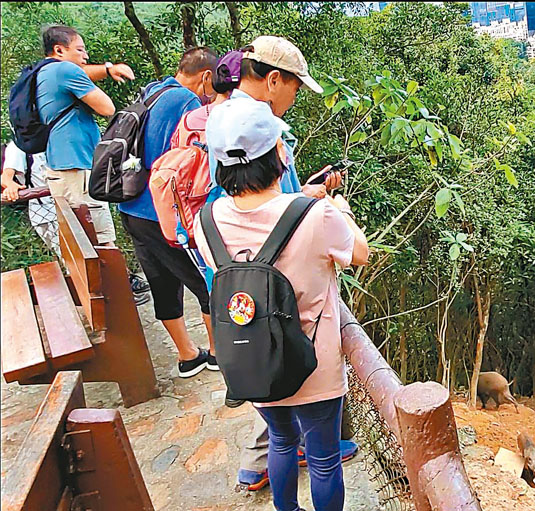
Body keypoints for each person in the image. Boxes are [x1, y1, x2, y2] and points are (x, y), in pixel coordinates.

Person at [196, 97, 369, 511]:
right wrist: (335, 205)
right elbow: (359, 252)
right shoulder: (315, 215)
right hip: (314, 362)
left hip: (255, 359)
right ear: (279, 153)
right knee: (325, 459)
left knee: (280, 440)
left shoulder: (207, 220)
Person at [118, 47, 219, 378]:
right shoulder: (187, 104)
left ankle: (188, 356)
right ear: (206, 76)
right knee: (205, 280)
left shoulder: (152, 91)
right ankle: (218, 353)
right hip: (162, 212)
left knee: (161, 281)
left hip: (131, 205)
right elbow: (188, 165)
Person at [35, 24, 151, 303]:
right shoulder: (64, 71)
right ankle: (117, 299)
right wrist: (97, 85)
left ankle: (106, 294)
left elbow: (82, 72)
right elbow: (107, 107)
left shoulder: (46, 73)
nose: (86, 56)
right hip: (76, 169)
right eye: (80, 49)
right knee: (99, 238)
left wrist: (108, 69)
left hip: (62, 167)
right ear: (59, 50)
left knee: (80, 239)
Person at [1, 142, 60, 259]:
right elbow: (5, 177)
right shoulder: (18, 145)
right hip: (45, 212)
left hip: (65, 205)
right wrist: (10, 186)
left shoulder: (55, 137)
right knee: (68, 257)